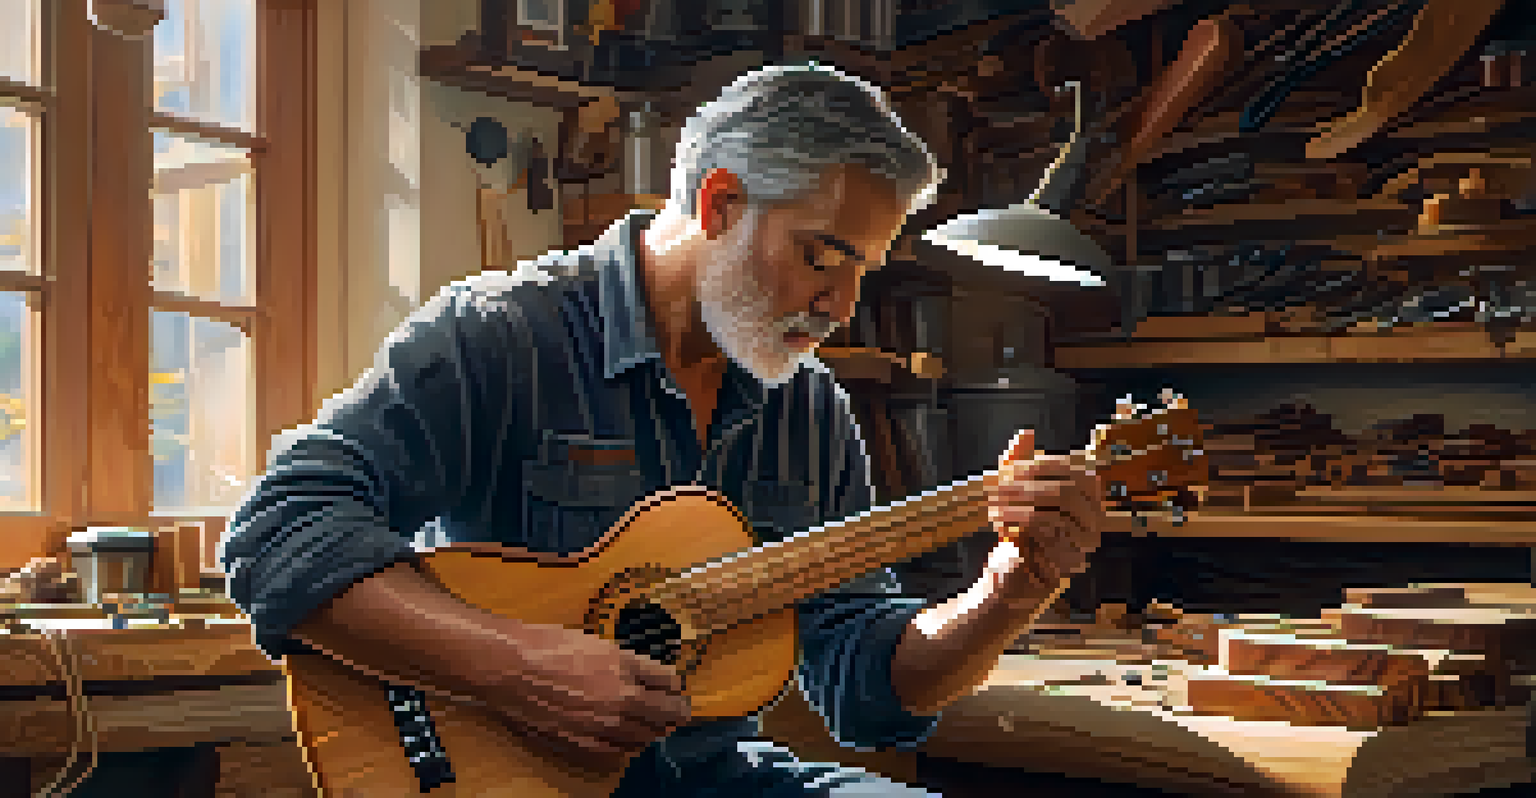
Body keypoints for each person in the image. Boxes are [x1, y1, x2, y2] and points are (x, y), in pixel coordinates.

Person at [221, 62, 1105, 797]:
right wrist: (513, 667)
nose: (842, 306)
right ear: (720, 203)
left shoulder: (805, 407)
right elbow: (281, 531)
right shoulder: (504, 333)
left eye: (862, 271)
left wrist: (1006, 596)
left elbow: (864, 691)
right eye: (822, 256)